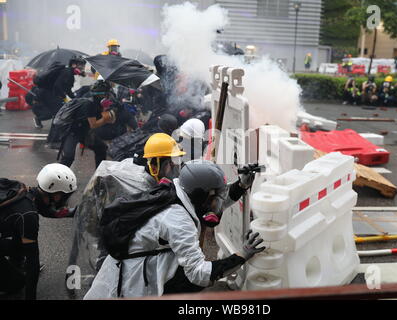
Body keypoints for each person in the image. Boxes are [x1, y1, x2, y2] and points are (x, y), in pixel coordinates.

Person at [84, 160, 264, 299]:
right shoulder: (178, 221)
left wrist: (240, 186)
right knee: (193, 279)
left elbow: (213, 203)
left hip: (139, 264)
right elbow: (199, 274)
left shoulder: (178, 191)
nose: (218, 202)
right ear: (201, 195)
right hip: (130, 282)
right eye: (215, 196)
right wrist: (241, 256)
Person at [0, 164, 77, 300]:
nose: (66, 199)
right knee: (18, 283)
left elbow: (48, 211)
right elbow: (33, 263)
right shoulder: (28, 215)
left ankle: (14, 264)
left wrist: (77, 211)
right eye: (65, 196)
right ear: (57, 196)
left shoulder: (24, 191)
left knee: (20, 244)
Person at [58, 80, 116, 168]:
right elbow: (94, 124)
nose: (108, 97)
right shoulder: (90, 104)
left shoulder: (97, 103)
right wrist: (105, 118)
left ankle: (99, 174)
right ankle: (58, 176)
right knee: (68, 157)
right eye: (106, 94)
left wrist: (106, 112)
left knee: (101, 149)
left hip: (84, 130)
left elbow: (105, 120)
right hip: (72, 132)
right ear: (101, 94)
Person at [31, 56, 86, 129]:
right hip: (47, 92)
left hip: (47, 91)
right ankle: (55, 131)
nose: (82, 67)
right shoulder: (68, 73)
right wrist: (64, 97)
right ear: (73, 65)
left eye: (83, 65)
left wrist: (74, 98)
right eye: (80, 65)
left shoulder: (68, 72)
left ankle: (42, 121)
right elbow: (58, 86)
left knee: (57, 110)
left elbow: (67, 89)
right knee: (58, 111)